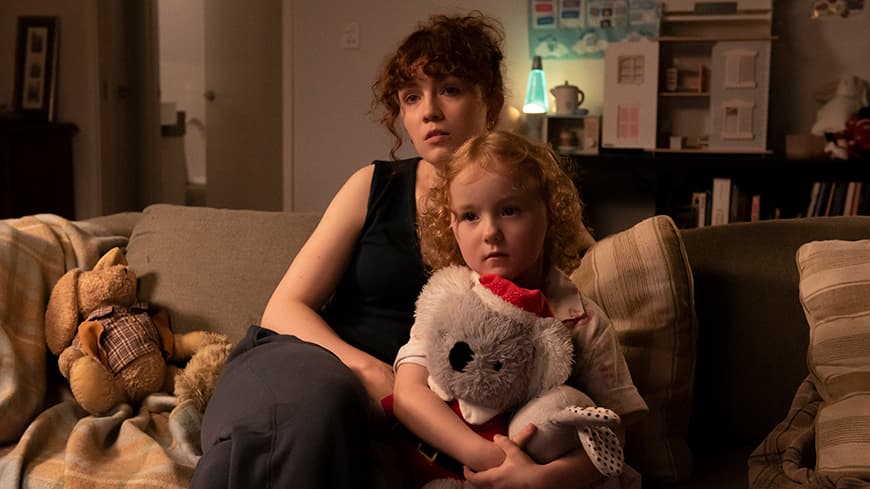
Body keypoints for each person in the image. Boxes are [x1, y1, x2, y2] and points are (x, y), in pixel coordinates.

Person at [189, 11, 508, 489]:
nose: (429, 112)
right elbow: (284, 307)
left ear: (491, 100)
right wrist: (366, 369)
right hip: (309, 362)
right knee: (321, 402)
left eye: (451, 89)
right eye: (411, 97)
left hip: (405, 413)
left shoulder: (518, 207)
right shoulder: (373, 185)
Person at [392, 130, 649, 488]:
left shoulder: (582, 320)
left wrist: (539, 479)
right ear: (451, 225)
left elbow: (613, 436)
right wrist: (486, 457)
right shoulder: (447, 301)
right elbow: (408, 396)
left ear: (550, 215)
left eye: (509, 210)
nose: (490, 232)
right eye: (470, 216)